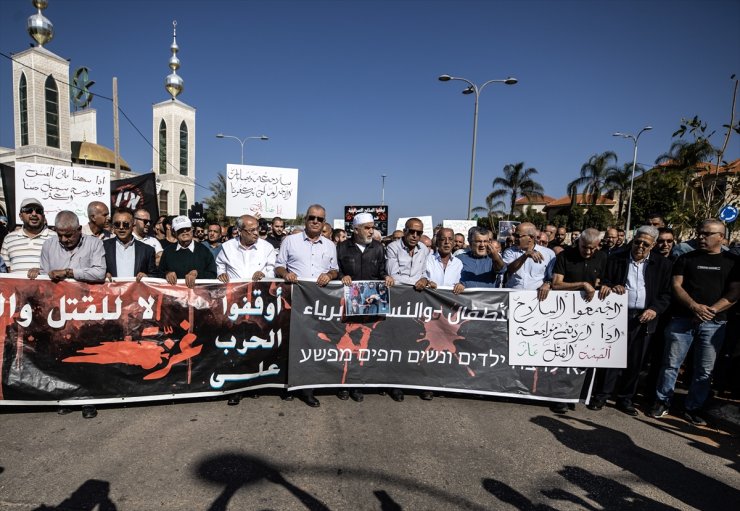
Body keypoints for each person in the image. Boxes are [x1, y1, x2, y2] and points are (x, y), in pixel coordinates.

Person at [649, 219, 740, 426]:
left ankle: (693, 407)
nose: (701, 237)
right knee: (671, 364)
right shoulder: (686, 258)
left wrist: (712, 310)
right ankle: (662, 402)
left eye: (707, 234)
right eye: (700, 233)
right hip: (682, 320)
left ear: (721, 237)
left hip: (715, 323)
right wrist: (694, 306)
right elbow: (676, 285)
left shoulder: (732, 262)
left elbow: (735, 292)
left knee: (704, 370)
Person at [588, 226, 672, 416]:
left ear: (652, 246)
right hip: (618, 315)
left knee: (636, 360)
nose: (640, 246)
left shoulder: (662, 265)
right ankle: (601, 395)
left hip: (645, 317)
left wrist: (654, 309)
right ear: (632, 240)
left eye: (645, 244)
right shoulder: (617, 258)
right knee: (611, 357)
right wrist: (611, 286)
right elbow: (605, 281)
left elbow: (666, 294)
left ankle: (625, 398)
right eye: (637, 242)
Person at [32, 210, 106, 420]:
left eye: (69, 235)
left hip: (87, 310)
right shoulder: (49, 245)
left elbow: (99, 272)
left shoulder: (94, 244)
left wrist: (69, 273)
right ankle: (65, 396)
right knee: (61, 353)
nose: (64, 240)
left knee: (85, 355)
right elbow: (45, 275)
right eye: (60, 235)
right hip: (59, 311)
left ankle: (87, 399)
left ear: (79, 230)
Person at [275, 204, 339, 408]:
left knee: (313, 344)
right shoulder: (290, 241)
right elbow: (278, 266)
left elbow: (335, 270)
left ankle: (308, 388)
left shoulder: (330, 245)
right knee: (292, 342)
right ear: (306, 219)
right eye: (312, 217)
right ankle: (288, 385)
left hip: (318, 303)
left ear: (324, 222)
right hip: (295, 300)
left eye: (320, 219)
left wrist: (329, 275)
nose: (315, 222)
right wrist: (286, 274)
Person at [216, 214, 277, 406]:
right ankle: (236, 388)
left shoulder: (266, 248)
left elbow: (273, 269)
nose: (255, 234)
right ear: (239, 231)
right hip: (235, 306)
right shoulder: (227, 247)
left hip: (259, 305)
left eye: (257, 229)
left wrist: (265, 274)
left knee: (256, 343)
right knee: (237, 345)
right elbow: (219, 266)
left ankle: (254, 384)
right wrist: (222, 274)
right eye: (250, 230)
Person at [336, 212, 394, 403]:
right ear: (356, 229)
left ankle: (357, 384)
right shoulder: (343, 248)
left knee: (364, 346)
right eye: (367, 228)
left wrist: (386, 277)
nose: (371, 231)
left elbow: (381, 271)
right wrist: (341, 277)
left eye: (372, 227)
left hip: (370, 306)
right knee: (346, 345)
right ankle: (343, 385)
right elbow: (336, 270)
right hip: (348, 306)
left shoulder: (378, 248)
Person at [550, 228, 609, 413]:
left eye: (593, 248)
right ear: (578, 242)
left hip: (592, 316)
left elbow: (604, 281)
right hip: (566, 314)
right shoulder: (565, 256)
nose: (589, 252)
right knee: (564, 357)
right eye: (585, 247)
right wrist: (582, 285)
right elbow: (556, 284)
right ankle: (560, 397)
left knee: (585, 357)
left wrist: (606, 286)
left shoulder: (603, 257)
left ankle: (578, 394)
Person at [384, 217, 432, 402]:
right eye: (411, 231)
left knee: (417, 343)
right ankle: (396, 384)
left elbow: (425, 273)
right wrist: (419, 282)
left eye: (419, 233)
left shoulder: (425, 250)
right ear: (405, 231)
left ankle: (416, 382)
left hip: (417, 304)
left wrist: (425, 280)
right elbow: (394, 276)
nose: (414, 235)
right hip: (397, 302)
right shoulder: (393, 247)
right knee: (397, 343)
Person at [159, 216, 217, 289]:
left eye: (188, 228)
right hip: (174, 297)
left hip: (198, 297)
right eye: (181, 229)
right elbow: (159, 273)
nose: (185, 231)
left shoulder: (204, 251)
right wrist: (167, 274)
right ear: (174, 232)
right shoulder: (168, 251)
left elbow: (212, 274)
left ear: (192, 230)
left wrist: (197, 274)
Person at [502, 222, 556, 301]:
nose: (515, 238)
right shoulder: (509, 251)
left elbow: (552, 276)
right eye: (514, 235)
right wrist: (525, 255)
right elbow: (509, 270)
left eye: (518, 236)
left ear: (531, 237)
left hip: (537, 298)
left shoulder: (548, 253)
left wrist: (547, 284)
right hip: (513, 297)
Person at [0, 197, 55, 274]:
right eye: (29, 210)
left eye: (38, 211)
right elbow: (5, 269)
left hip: (46, 286)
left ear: (43, 216)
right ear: (21, 216)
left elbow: (60, 266)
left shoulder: (55, 238)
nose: (34, 214)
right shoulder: (9, 239)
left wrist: (42, 271)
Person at [103, 208, 157, 282]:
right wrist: (103, 274)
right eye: (117, 224)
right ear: (113, 226)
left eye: (125, 224)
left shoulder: (147, 250)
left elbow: (155, 275)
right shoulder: (103, 247)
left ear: (133, 225)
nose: (121, 227)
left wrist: (147, 276)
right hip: (112, 292)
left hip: (137, 292)